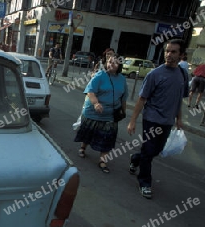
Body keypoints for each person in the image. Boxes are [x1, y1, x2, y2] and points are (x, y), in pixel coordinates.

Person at [127, 39, 189, 199]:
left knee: (156, 150)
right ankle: (145, 182)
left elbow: (178, 100)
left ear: (181, 55)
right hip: (152, 119)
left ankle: (135, 158)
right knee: (148, 151)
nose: (168, 55)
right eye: (167, 51)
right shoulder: (154, 74)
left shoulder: (182, 74)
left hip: (167, 121)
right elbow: (141, 99)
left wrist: (179, 119)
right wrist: (133, 121)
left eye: (173, 52)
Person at [74, 53, 128, 173]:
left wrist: (123, 111)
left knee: (107, 138)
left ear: (119, 65)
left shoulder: (122, 79)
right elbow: (90, 91)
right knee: (89, 132)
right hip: (93, 112)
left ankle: (103, 160)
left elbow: (124, 98)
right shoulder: (100, 75)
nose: (111, 64)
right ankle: (83, 147)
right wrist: (96, 104)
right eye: (109, 62)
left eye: (114, 62)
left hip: (111, 114)